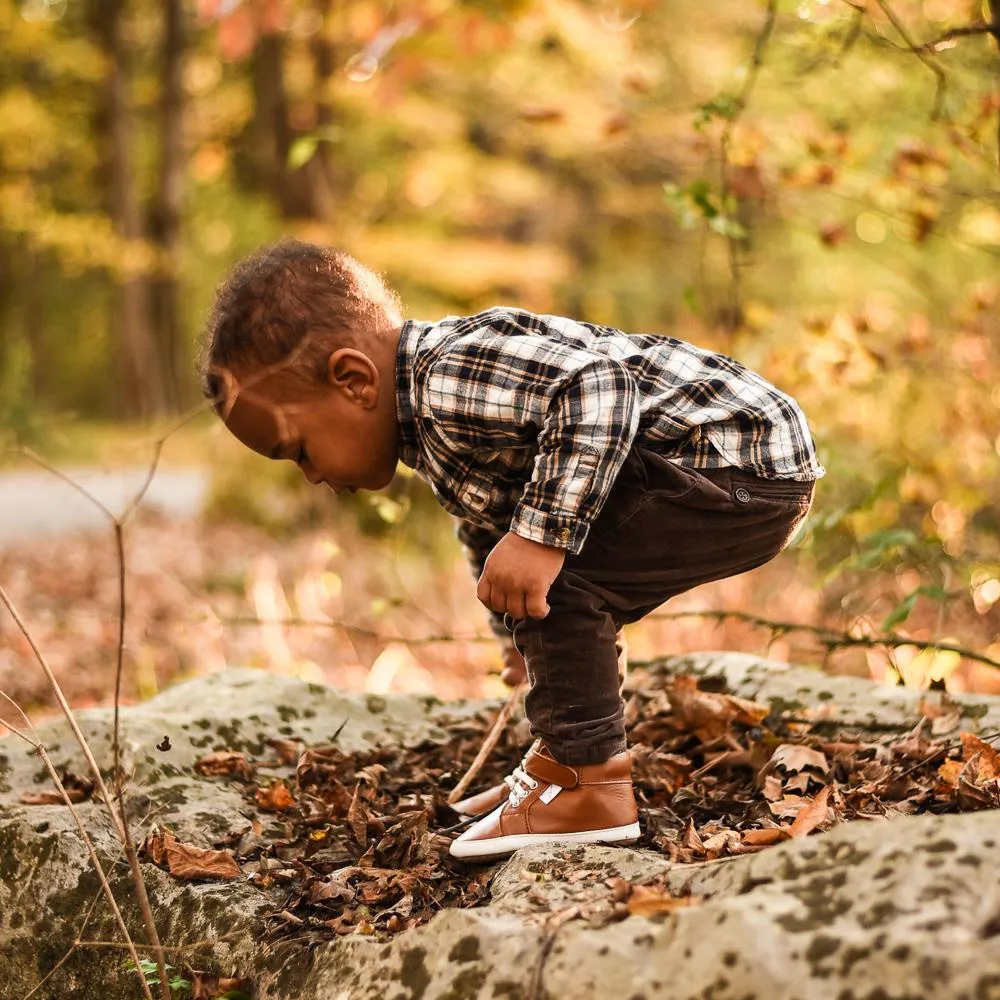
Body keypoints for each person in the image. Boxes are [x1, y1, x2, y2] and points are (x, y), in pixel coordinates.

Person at [200, 239, 824, 861]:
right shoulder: (424, 425)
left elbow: (596, 384)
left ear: (355, 381)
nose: (310, 475)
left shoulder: (448, 375)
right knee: (547, 584)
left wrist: (541, 534)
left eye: (300, 450)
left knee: (559, 581)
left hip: (732, 458)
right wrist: (514, 634)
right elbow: (491, 530)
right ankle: (565, 767)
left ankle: (587, 783)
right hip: (731, 469)